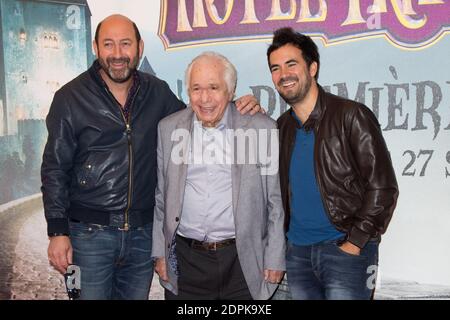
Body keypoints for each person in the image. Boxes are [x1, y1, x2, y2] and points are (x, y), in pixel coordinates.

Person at [42, 14, 261, 300]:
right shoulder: (70, 97)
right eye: (109, 44)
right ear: (95, 47)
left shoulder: (157, 92)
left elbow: (197, 117)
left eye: (125, 44)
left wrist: (236, 106)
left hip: (142, 235)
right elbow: (54, 168)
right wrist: (57, 231)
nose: (118, 54)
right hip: (89, 236)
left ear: (140, 47)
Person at [267, 28, 399, 300]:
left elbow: (383, 187)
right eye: (275, 68)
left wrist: (355, 242)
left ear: (312, 67)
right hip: (298, 255)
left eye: (291, 64)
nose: (283, 75)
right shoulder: (280, 128)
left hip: (345, 252)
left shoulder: (351, 116)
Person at [152, 52, 286, 300]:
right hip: (186, 262)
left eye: (214, 88)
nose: (204, 99)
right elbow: (161, 198)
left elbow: (275, 200)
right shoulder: (168, 128)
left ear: (231, 90)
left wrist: (275, 255)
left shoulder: (260, 128)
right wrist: (160, 253)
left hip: (241, 261)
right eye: (196, 89)